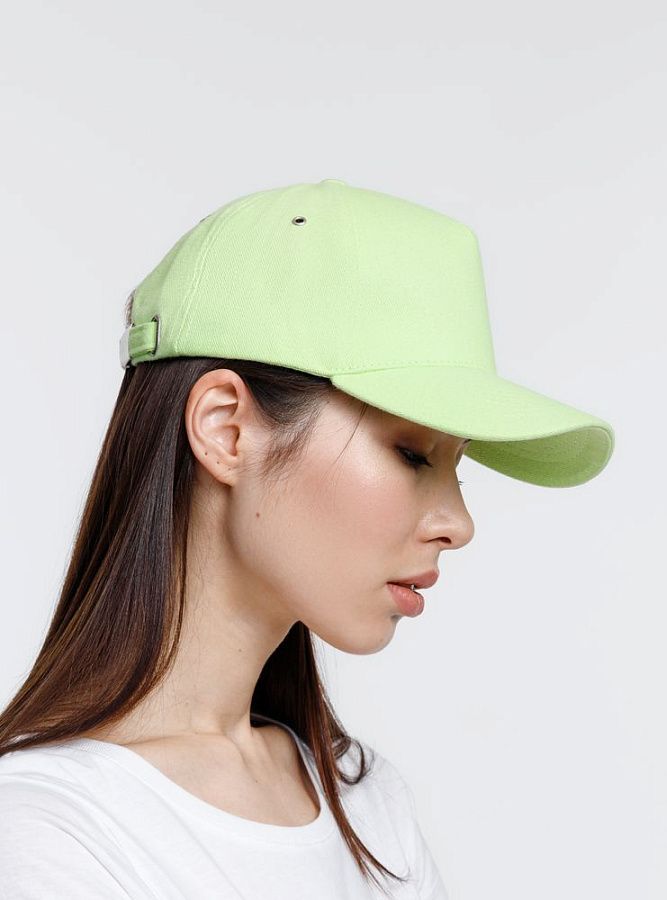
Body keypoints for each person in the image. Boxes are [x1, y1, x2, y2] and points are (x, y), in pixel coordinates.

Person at [0, 178, 615, 899]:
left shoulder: (365, 802)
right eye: (411, 453)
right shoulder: (46, 830)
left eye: (458, 464)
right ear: (226, 430)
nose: (458, 523)